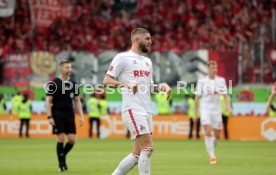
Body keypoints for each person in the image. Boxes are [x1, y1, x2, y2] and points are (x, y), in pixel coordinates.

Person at [103, 28, 171, 175]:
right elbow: (106, 81)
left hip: (146, 110)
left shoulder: (147, 62)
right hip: (132, 109)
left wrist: (161, 86)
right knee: (148, 148)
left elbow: (149, 87)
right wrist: (126, 84)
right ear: (136, 40)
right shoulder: (122, 58)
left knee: (137, 154)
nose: (150, 41)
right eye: (147, 38)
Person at [45, 59, 84, 172]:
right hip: (57, 113)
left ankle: (62, 156)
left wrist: (81, 115)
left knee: (72, 140)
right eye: (67, 67)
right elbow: (48, 101)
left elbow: (77, 101)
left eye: (70, 67)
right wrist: (49, 116)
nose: (69, 69)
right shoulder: (53, 83)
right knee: (61, 138)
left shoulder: (73, 83)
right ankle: (61, 164)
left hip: (69, 114)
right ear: (61, 69)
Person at [194, 60, 232, 165]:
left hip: (216, 111)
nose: (215, 70)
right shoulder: (202, 81)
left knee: (218, 134)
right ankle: (212, 156)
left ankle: (210, 146)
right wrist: (196, 114)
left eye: (216, 68)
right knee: (208, 130)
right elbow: (197, 98)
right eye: (212, 68)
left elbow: (225, 96)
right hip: (205, 109)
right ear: (208, 69)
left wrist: (229, 107)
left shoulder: (221, 80)